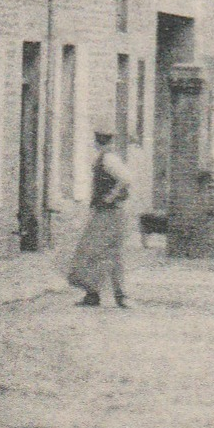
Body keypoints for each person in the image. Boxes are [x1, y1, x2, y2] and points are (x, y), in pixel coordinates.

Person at [67, 131, 131, 308]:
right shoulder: (105, 157)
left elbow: (126, 178)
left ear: (98, 141)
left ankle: (100, 294)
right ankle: (113, 295)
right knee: (108, 253)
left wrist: (110, 197)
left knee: (94, 251)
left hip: (109, 213)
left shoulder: (108, 159)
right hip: (109, 212)